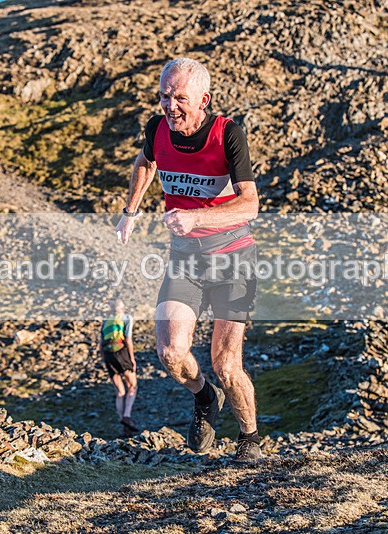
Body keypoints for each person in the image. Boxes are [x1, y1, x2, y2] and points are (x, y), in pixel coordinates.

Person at [116, 57, 262, 463]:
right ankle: (204, 398)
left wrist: (198, 216)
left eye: (180, 97)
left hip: (234, 260)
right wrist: (131, 212)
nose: (170, 105)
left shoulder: (227, 134)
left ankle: (249, 438)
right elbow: (147, 162)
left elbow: (250, 204)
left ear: (203, 99)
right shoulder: (158, 128)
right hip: (185, 261)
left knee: (227, 364)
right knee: (170, 353)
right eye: (164, 95)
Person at [98, 299, 138, 435]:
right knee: (133, 385)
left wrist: (105, 361)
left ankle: (124, 425)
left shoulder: (105, 321)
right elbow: (128, 339)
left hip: (109, 356)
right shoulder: (126, 318)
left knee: (120, 392)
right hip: (121, 352)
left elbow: (100, 344)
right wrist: (132, 359)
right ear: (122, 308)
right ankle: (127, 416)